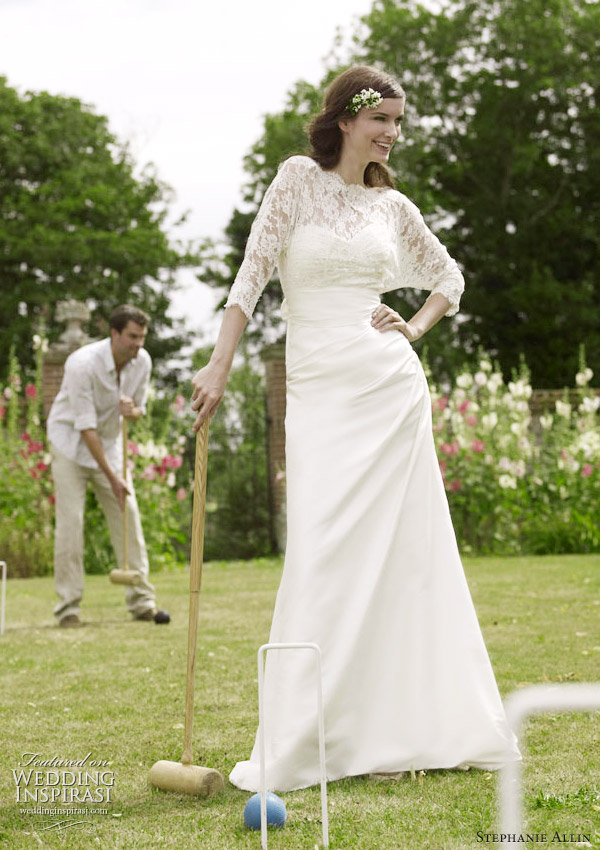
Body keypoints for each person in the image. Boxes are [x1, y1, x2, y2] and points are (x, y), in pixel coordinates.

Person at [191, 65, 520, 791]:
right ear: (346, 118)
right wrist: (219, 366)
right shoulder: (296, 182)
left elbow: (448, 277)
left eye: (400, 124)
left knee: (405, 557)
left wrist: (415, 330)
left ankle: (409, 727)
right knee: (323, 546)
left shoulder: (394, 206)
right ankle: (310, 733)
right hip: (319, 389)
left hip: (388, 386)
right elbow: (250, 277)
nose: (393, 135)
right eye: (384, 121)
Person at [47, 304, 170, 628]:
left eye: (142, 337)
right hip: (71, 445)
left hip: (110, 446)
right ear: (114, 334)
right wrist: (113, 478)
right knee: (71, 525)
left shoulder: (141, 361)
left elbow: (138, 410)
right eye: (132, 337)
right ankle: (68, 608)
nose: (138, 344)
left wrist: (133, 412)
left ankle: (142, 601)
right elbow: (86, 428)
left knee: (128, 514)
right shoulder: (82, 364)